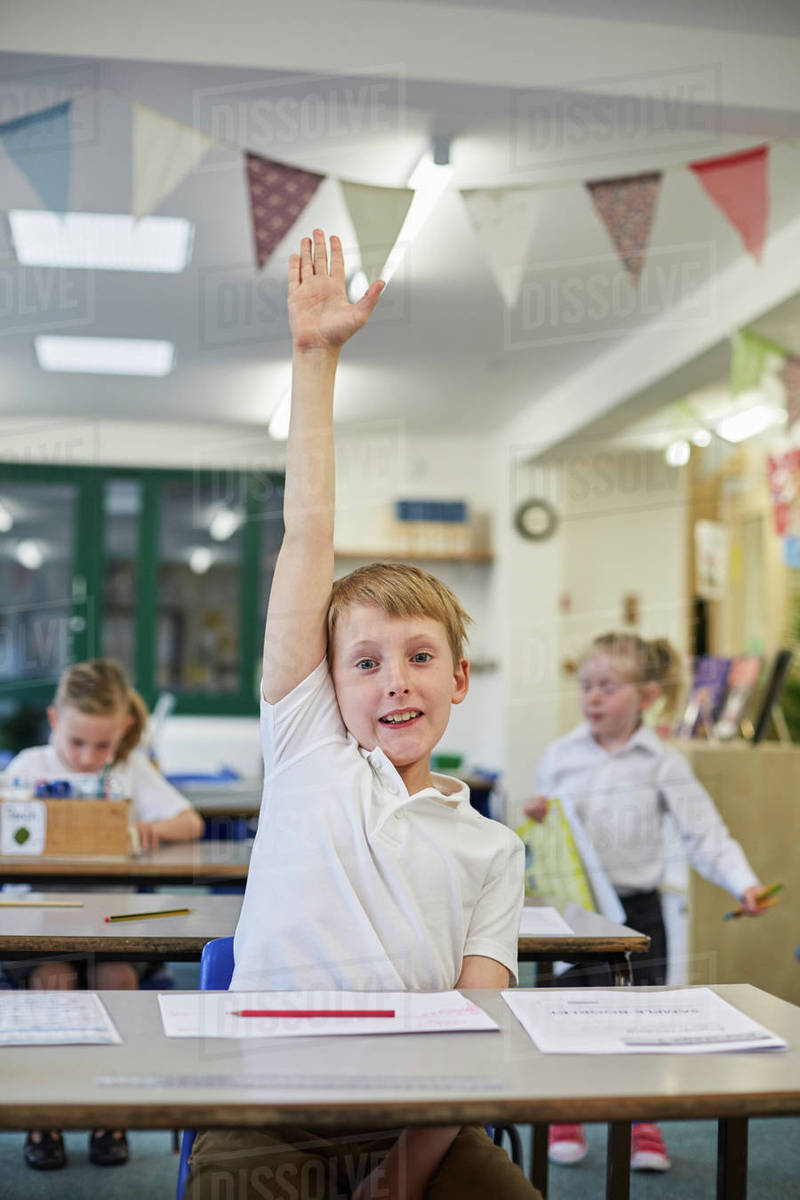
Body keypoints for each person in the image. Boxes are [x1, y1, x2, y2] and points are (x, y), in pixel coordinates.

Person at [185, 231, 537, 1200]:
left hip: (414, 1114)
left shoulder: (491, 853)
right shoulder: (305, 750)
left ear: (459, 679)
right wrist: (314, 360)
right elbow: (308, 532)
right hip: (267, 1108)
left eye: (420, 659)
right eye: (367, 663)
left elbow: (476, 1032)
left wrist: (397, 1178)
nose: (395, 683)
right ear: (325, 686)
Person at [524, 632, 764, 1174]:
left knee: (640, 1016)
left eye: (608, 686)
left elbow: (704, 835)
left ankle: (639, 1120)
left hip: (638, 912)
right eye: (587, 686)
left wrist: (743, 883)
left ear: (647, 696)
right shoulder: (560, 755)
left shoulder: (662, 762)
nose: (594, 697)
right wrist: (539, 814)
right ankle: (565, 1111)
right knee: (565, 1016)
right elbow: (550, 831)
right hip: (573, 910)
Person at [5, 658, 205, 1171]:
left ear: (124, 733)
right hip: (39, 922)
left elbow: (191, 821)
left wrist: (146, 832)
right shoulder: (29, 767)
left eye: (102, 744)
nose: (89, 756)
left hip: (114, 923)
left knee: (116, 980)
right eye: (76, 742)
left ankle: (109, 1114)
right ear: (54, 720)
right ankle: (42, 1114)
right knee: (52, 981)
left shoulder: (129, 769)